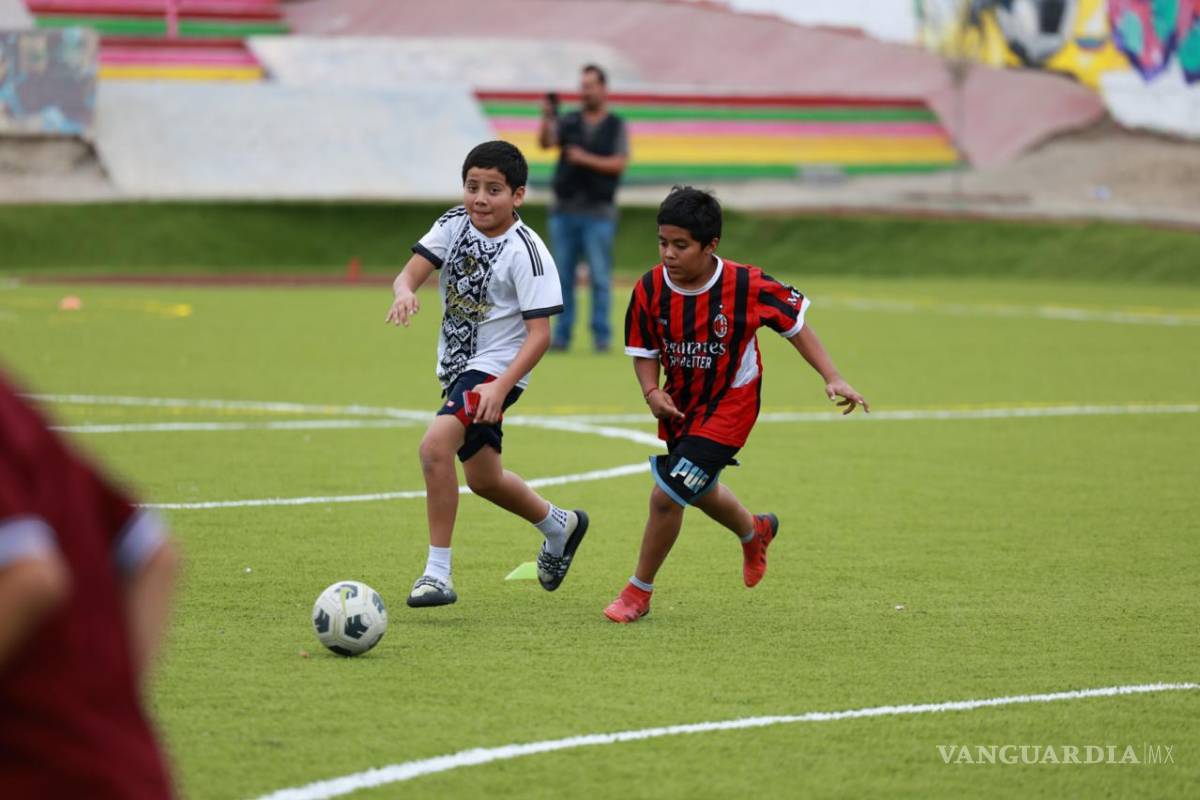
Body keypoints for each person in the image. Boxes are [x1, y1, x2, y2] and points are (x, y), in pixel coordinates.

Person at [604, 187, 869, 623]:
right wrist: (652, 393)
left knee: (667, 495)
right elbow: (644, 352)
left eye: (681, 245)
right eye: (662, 242)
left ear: (711, 246)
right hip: (681, 404)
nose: (668, 254)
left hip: (732, 403)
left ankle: (638, 592)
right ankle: (755, 530)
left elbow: (795, 326)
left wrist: (832, 376)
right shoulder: (650, 287)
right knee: (699, 488)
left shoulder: (747, 284)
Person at [386, 140, 590, 607]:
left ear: (517, 195)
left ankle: (437, 574)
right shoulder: (453, 223)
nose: (480, 198)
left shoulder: (528, 253)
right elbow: (408, 275)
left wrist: (500, 385)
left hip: (496, 370)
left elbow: (540, 334)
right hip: (457, 367)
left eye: (493, 189)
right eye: (472, 186)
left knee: (434, 449)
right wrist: (403, 293)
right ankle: (560, 525)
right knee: (484, 479)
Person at [0, 368, 178, 797]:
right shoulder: (13, 405)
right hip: (123, 767)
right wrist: (109, 713)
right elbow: (155, 555)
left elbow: (30, 577)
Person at [538, 63, 630, 353]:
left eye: (590, 86)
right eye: (583, 86)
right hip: (565, 210)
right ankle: (562, 336)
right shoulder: (569, 121)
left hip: (599, 212)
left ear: (603, 89)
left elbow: (619, 163)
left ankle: (601, 336)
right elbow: (546, 142)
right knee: (562, 277)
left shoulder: (616, 124)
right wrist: (547, 117)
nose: (585, 91)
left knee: (600, 277)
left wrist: (585, 158)